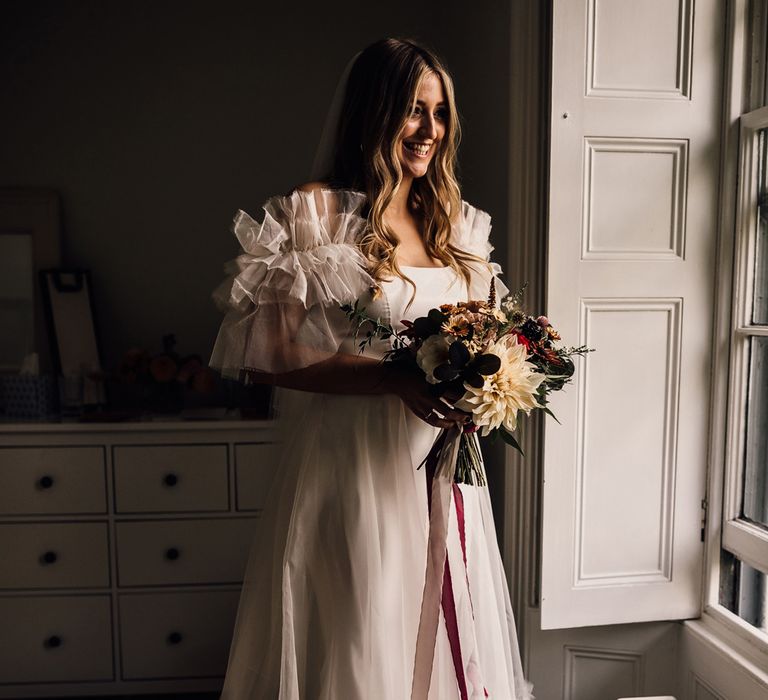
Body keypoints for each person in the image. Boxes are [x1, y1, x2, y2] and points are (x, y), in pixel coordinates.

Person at [209, 38, 534, 700]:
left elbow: (481, 332)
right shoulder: (316, 212)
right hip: (351, 465)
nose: (429, 131)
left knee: (444, 636)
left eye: (440, 113)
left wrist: (491, 378)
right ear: (374, 111)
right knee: (362, 633)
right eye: (413, 110)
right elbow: (268, 355)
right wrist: (390, 378)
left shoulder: (452, 222)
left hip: (442, 463)